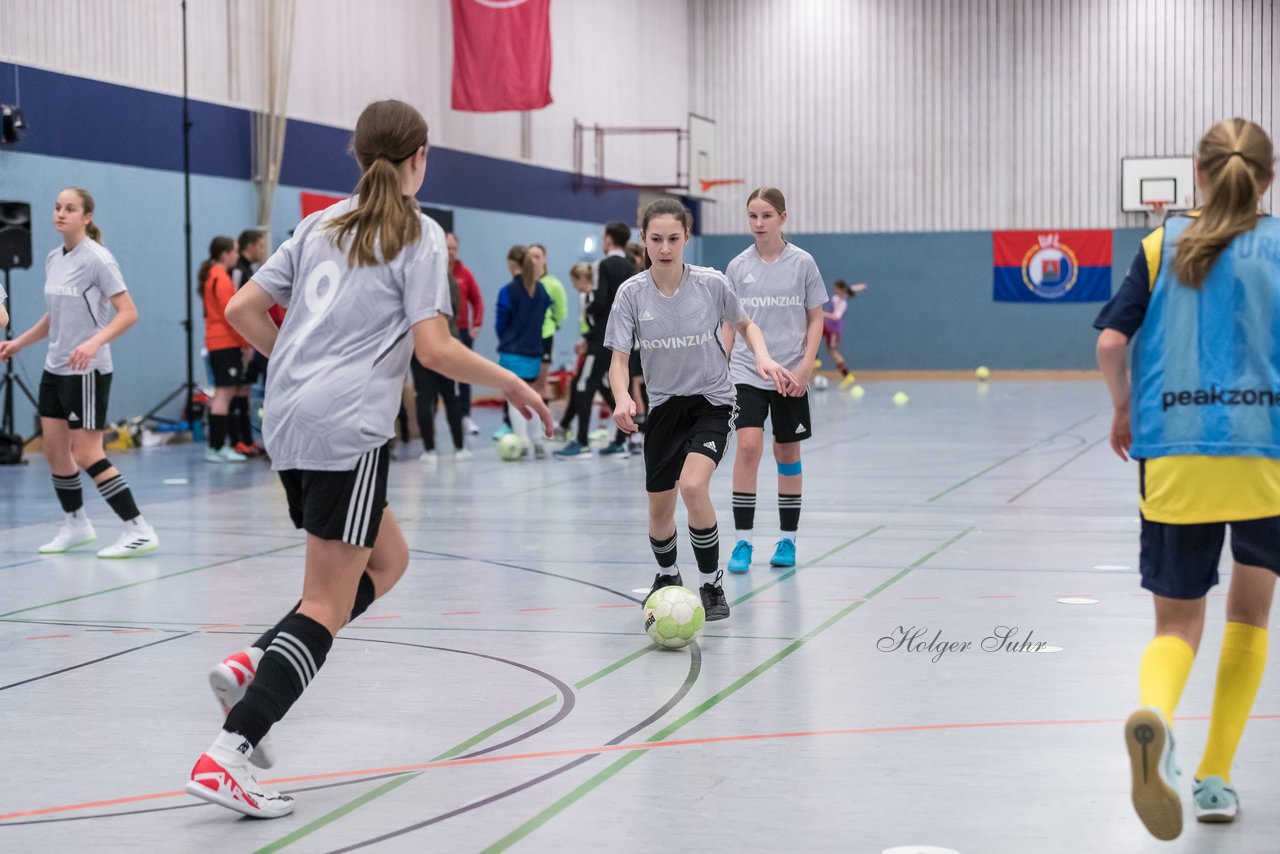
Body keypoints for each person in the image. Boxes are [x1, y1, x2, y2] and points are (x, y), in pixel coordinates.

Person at [186, 99, 551, 819]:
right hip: (344, 427)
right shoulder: (419, 234)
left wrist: (296, 366)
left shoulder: (318, 223)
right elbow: (435, 349)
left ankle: (252, 663)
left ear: (356, 158)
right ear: (421, 158)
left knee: (388, 560)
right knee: (324, 605)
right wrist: (510, 381)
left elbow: (243, 314)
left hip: (287, 417)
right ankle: (229, 751)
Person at [1094, 118, 1278, 841]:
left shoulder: (1158, 243)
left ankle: (1158, 722)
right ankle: (1215, 779)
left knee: (1177, 623)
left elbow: (1112, 341)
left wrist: (1121, 406)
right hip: (1266, 457)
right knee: (1250, 615)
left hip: (1174, 453)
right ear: (1266, 179)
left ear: (1197, 176)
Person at [606, 198, 795, 622]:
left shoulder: (711, 284)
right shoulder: (631, 294)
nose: (665, 248)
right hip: (663, 407)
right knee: (660, 507)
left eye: (674, 238)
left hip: (712, 401)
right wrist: (622, 397)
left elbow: (746, 324)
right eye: (656, 239)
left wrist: (761, 357)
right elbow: (618, 360)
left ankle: (711, 584)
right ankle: (667, 575)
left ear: (687, 238)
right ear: (644, 240)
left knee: (693, 486)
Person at [0, 187, 159, 558]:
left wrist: (93, 343)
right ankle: (76, 524)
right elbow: (54, 316)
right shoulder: (55, 257)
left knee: (87, 453)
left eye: (69, 209)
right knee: (56, 452)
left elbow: (128, 312)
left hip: (88, 370)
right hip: (55, 367)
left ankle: (138, 528)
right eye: (57, 207)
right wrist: (19, 343)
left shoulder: (98, 259)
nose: (60, 213)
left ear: (86, 217)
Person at [722, 187, 829, 573]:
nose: (758, 223)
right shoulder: (737, 267)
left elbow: (816, 318)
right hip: (747, 372)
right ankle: (743, 542)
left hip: (790, 373)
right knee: (748, 446)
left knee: (787, 451)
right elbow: (731, 322)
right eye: (752, 215)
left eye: (766, 215)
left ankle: (788, 539)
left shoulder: (803, 263)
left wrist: (805, 367)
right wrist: (721, 365)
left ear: (782, 218)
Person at [556, 221, 634, 460]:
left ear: (609, 239)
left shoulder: (601, 265)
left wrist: (588, 312)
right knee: (610, 387)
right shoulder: (631, 266)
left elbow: (600, 302)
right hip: (625, 337)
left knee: (583, 386)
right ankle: (623, 440)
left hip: (602, 337)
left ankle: (581, 442)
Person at [495, 245, 552, 458]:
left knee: (514, 398)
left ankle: (521, 441)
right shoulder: (541, 291)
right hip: (534, 352)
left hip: (512, 352)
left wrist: (507, 339)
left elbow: (501, 325)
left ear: (512, 264)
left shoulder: (507, 291)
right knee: (532, 395)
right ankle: (537, 440)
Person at [200, 236, 251, 463]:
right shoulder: (220, 279)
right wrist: (245, 342)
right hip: (225, 342)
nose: (237, 256)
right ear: (224, 254)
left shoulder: (213, 276)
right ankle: (217, 447)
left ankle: (217, 446)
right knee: (223, 394)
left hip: (218, 342)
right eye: (234, 252)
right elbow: (231, 314)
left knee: (223, 394)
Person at [411, 266, 469, 464]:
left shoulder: (445, 278)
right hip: (422, 347)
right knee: (427, 398)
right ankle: (432, 449)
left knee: (446, 396)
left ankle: (455, 447)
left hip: (440, 346)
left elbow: (453, 309)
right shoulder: (417, 277)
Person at [230, 228, 269, 456]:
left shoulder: (250, 271)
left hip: (249, 345)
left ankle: (247, 439)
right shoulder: (238, 271)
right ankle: (236, 441)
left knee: (244, 391)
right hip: (240, 343)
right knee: (235, 391)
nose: (262, 250)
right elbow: (234, 306)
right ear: (251, 245)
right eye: (260, 245)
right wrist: (243, 342)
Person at [448, 231, 484, 436]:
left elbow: (477, 301)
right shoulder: (433, 270)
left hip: (462, 332)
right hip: (440, 331)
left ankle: (466, 416)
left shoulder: (465, 274)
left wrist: (475, 326)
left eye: (454, 248)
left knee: (465, 375)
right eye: (447, 248)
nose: (451, 252)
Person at [527, 243, 567, 407]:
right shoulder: (523, 283)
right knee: (523, 381)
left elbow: (561, 311)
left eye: (537, 257)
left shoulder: (553, 284)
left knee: (541, 382)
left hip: (545, 336)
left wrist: (553, 325)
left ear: (544, 259)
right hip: (525, 339)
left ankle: (544, 425)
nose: (533, 261)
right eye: (530, 257)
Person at [822, 279, 865, 384]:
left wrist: (822, 313)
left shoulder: (842, 302)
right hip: (827, 326)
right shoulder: (839, 296)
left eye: (836, 288)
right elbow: (851, 288)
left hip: (833, 330)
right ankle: (815, 358)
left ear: (840, 290)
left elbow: (836, 317)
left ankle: (847, 375)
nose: (834, 289)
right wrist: (861, 286)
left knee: (833, 351)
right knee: (811, 330)